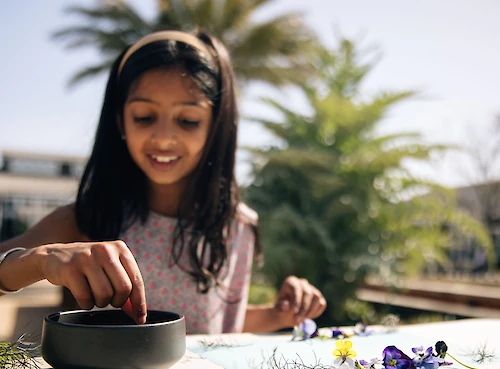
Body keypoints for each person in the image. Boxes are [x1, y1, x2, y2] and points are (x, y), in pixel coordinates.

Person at [0, 30, 326, 334]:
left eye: (188, 120)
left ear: (215, 127)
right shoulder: (86, 218)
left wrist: (279, 314)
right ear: (120, 122)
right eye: (144, 116)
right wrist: (41, 260)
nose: (164, 138)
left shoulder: (238, 226)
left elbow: (218, 325)